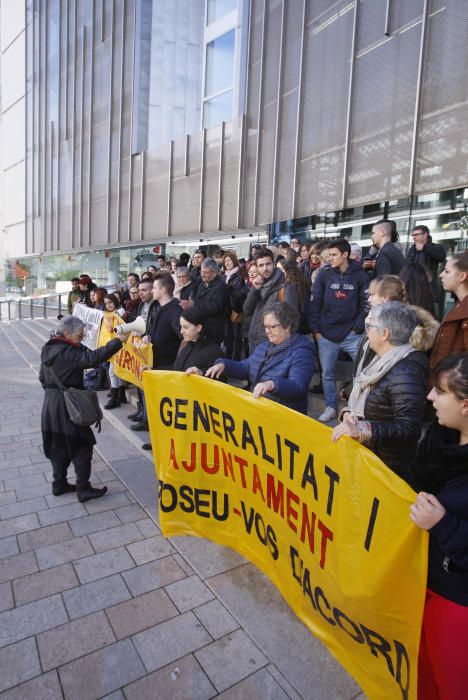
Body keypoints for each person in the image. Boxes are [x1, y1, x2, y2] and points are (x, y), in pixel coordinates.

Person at [409, 353, 468, 700]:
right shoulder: (439, 439)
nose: (429, 397)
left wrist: (443, 525)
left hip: (458, 606)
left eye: (440, 391)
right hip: (425, 582)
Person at [332, 302, 428, 482]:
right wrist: (349, 415)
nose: (366, 331)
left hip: (387, 468)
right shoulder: (380, 361)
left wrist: (362, 428)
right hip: (371, 460)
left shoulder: (407, 371)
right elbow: (372, 406)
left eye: (370, 326)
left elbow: (409, 428)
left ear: (384, 334)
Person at [39, 316, 130, 502]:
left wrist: (55, 392)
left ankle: (59, 484)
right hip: (67, 405)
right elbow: (92, 358)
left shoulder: (50, 348)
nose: (82, 338)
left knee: (58, 445)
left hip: (50, 403)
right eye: (79, 336)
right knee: (82, 445)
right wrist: (118, 341)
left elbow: (42, 378)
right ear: (66, 334)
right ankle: (83, 489)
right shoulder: (66, 352)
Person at [206, 302, 315, 414]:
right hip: (260, 411)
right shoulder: (264, 346)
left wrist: (272, 384)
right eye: (265, 326)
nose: (267, 331)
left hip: (283, 417)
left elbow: (298, 387)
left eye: (272, 327)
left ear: (287, 326)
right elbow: (247, 367)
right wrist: (224, 365)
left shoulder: (302, 352)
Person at [308, 239, 369, 422]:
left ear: (345, 254)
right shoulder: (324, 275)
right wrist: (315, 330)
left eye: (334, 255)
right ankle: (331, 407)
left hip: (352, 335)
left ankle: (356, 408)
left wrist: (356, 328)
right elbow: (315, 303)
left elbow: (365, 304)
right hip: (326, 334)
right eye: (328, 255)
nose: (329, 258)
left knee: (362, 372)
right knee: (326, 374)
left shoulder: (361, 275)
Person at [243, 247, 294, 353]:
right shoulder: (258, 283)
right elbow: (247, 310)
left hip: (273, 343)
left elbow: (291, 318)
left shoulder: (285, 286)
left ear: (274, 264)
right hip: (254, 340)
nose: (265, 268)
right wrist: (254, 290)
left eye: (268, 264)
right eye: (261, 265)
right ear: (257, 267)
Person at [430, 251, 468, 382]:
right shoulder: (458, 306)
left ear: (462, 276)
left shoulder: (464, 310)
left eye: (447, 271)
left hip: (454, 391)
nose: (441, 275)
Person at [185, 258, 230, 345]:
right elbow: (198, 299)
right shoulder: (202, 284)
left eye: (206, 273)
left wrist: (195, 303)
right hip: (202, 326)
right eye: (202, 272)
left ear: (214, 273)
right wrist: (190, 303)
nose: (202, 275)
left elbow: (216, 307)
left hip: (214, 329)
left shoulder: (220, 286)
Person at [406, 225, 446, 317]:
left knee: (429, 316)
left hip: (429, 289)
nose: (414, 237)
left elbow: (441, 257)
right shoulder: (412, 249)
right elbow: (407, 266)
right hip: (413, 289)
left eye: (416, 234)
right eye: (413, 235)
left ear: (425, 235)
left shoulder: (435, 247)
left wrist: (424, 248)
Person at [173, 309, 223, 374]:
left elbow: (220, 381)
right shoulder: (185, 343)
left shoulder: (214, 352)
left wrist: (202, 373)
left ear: (199, 328)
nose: (181, 331)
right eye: (181, 327)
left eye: (186, 327)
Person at [102, 294, 128, 410]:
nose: (108, 305)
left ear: (115, 301)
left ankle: (114, 398)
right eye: (106, 303)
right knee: (117, 370)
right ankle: (121, 395)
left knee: (112, 371)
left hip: (121, 346)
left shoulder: (120, 312)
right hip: (116, 345)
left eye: (110, 302)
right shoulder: (111, 313)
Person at [222, 252, 248, 360]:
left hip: (236, 310)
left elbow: (243, 292)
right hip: (225, 310)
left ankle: (236, 359)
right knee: (227, 337)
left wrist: (232, 292)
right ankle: (227, 360)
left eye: (229, 260)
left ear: (234, 260)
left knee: (237, 337)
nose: (227, 263)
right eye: (225, 261)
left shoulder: (241, 274)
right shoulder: (223, 276)